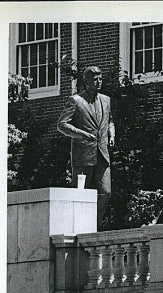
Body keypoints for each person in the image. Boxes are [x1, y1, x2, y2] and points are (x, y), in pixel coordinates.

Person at [56, 65, 115, 223]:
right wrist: (81, 134)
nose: (99, 82)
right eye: (95, 79)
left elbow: (109, 121)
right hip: (83, 155)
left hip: (102, 154)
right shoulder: (76, 100)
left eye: (100, 78)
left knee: (105, 192)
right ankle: (78, 226)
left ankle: (92, 225)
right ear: (86, 81)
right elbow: (62, 124)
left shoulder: (106, 100)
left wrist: (111, 135)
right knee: (80, 194)